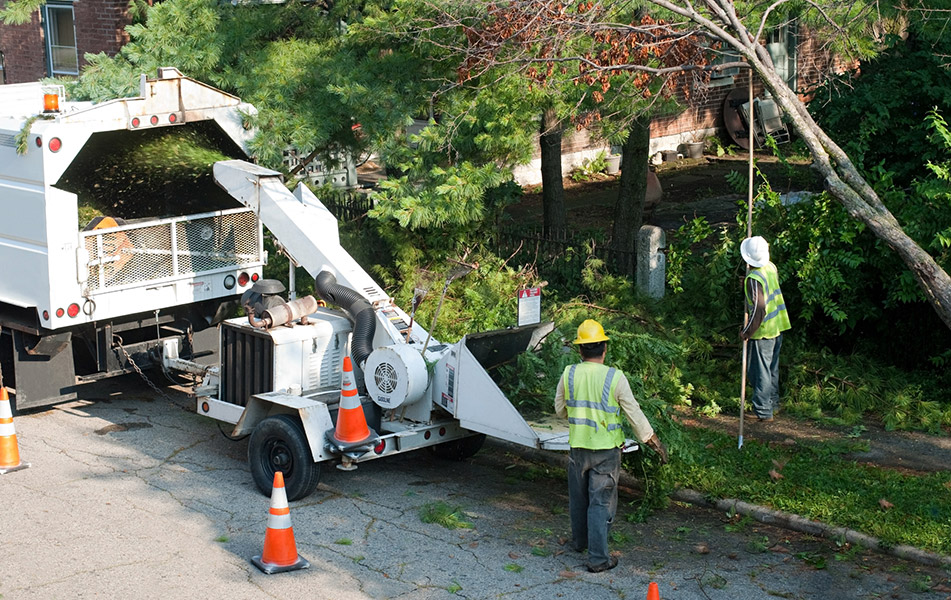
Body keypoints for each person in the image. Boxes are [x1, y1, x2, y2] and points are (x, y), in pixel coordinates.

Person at [554, 319, 668, 573]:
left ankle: (580, 542)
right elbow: (634, 414)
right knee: (600, 502)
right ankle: (597, 558)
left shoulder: (569, 373)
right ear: (604, 348)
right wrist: (653, 441)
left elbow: (560, 409)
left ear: (580, 350)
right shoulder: (615, 378)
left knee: (578, 499)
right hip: (606, 452)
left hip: (578, 449)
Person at [739, 236, 791, 422]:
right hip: (778, 326)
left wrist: (747, 332)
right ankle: (773, 403)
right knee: (771, 369)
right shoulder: (770, 267)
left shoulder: (754, 279)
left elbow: (759, 310)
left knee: (760, 372)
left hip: (763, 332)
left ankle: (763, 410)